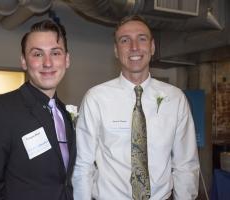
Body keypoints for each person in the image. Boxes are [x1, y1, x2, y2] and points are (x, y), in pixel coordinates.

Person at [72, 15, 200, 200]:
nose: (134, 47)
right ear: (116, 50)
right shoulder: (96, 98)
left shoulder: (176, 99)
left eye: (142, 39)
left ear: (152, 47)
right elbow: (83, 164)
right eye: (125, 40)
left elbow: (185, 165)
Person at [0, 19, 76, 200]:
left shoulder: (64, 114)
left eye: (56, 53)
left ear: (67, 60)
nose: (47, 63)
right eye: (37, 54)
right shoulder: (1, 111)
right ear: (23, 61)